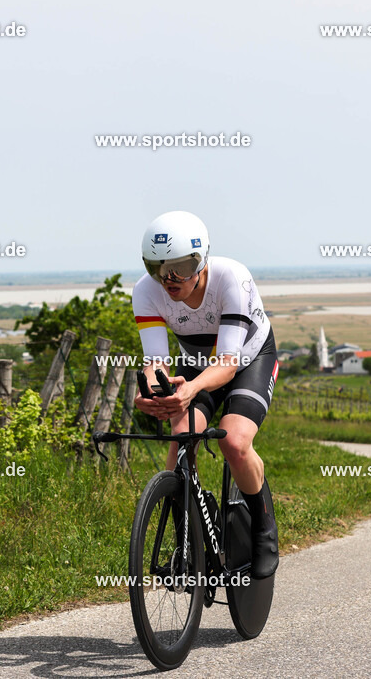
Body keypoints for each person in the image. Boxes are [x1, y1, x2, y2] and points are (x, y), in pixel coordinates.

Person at [132, 211, 280, 579]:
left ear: (201, 260)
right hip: (198, 362)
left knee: (234, 441)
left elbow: (228, 365)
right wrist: (154, 391)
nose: (169, 280)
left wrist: (192, 389)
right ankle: (185, 540)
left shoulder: (232, 278)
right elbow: (157, 362)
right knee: (181, 435)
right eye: (158, 268)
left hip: (248, 360)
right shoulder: (144, 292)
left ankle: (264, 533)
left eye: (181, 267)